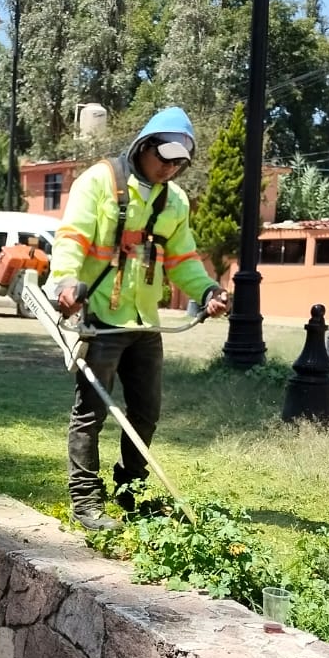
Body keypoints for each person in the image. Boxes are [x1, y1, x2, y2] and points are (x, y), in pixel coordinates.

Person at [48, 108, 229, 531]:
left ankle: (131, 491)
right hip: (101, 317)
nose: (169, 168)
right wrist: (66, 284)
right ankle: (86, 502)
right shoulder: (99, 181)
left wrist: (207, 291)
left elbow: (183, 258)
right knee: (91, 412)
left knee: (146, 412)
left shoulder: (175, 201)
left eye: (178, 162)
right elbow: (71, 237)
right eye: (163, 157)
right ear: (143, 146)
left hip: (145, 323)